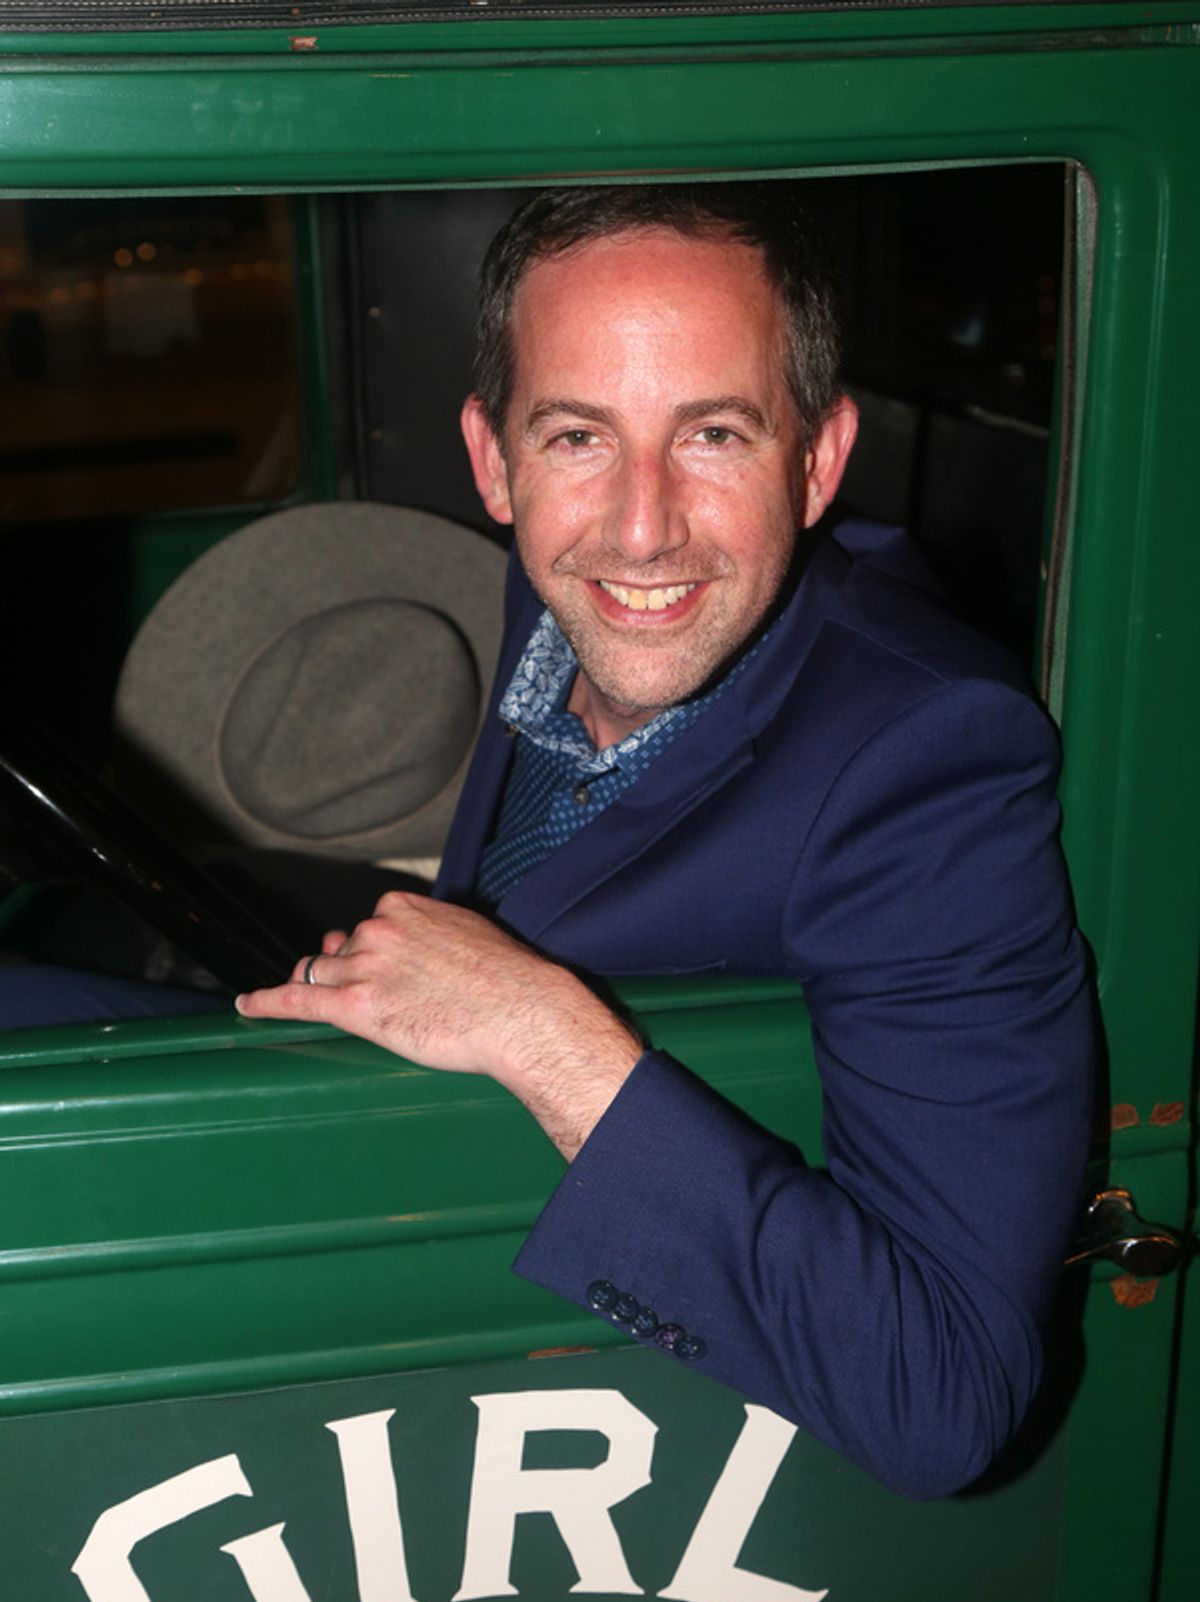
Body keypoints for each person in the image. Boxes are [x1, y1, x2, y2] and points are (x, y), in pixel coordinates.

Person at [237, 184, 1094, 1500]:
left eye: (715, 437)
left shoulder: (931, 762)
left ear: (817, 460)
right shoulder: (548, 594)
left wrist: (546, 1036)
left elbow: (947, 1389)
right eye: (580, 436)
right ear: (494, 458)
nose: (642, 526)